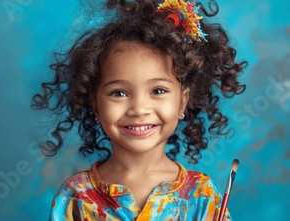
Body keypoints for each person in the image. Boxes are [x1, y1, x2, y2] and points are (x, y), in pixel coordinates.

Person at [30, 0, 247, 220]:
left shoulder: (202, 195)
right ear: (95, 103)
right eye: (119, 93)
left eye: (158, 90)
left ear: (182, 102)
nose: (139, 109)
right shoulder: (75, 196)